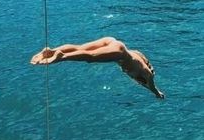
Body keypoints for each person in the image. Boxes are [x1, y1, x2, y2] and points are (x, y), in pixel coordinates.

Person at [31, 37, 165, 99]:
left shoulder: (141, 60)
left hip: (113, 41)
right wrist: (158, 94)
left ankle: (51, 51)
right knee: (91, 57)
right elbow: (151, 87)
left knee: (80, 47)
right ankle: (62, 56)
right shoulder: (148, 75)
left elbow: (137, 56)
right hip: (119, 53)